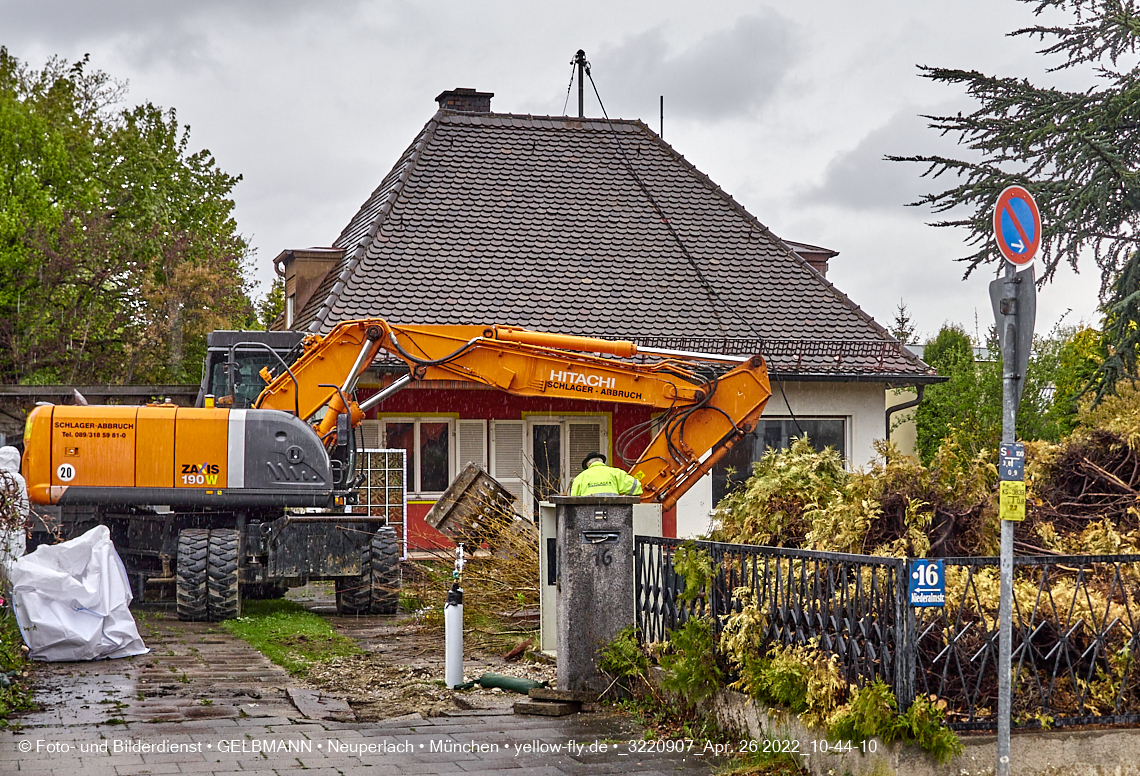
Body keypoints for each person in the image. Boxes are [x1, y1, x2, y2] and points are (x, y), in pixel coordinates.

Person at [0, 446, 28, 568]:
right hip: (14, 527)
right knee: (13, 562)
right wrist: (20, 520)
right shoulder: (19, 479)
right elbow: (24, 504)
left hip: (3, 524)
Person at [569, 452, 643, 497]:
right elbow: (636, 487)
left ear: (588, 464)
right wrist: (625, 499)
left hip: (588, 516)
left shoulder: (580, 478)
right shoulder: (616, 473)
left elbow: (573, 500)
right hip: (614, 514)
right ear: (602, 462)